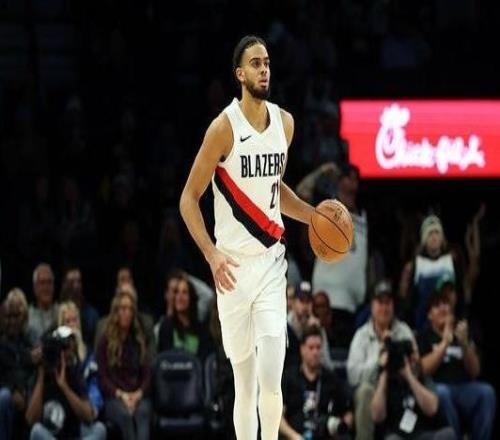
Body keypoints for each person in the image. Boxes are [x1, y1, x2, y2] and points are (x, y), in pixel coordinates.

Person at [179, 35, 315, 440]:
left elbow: (274, 190)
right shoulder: (223, 128)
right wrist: (211, 254)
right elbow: (188, 198)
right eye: (256, 64)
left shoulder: (285, 124)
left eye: (267, 62)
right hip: (232, 269)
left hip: (271, 261)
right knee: (245, 379)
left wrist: (312, 217)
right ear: (240, 74)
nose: (264, 70)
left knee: (271, 373)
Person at [418, 289, 496, 440]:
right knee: (442, 392)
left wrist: (465, 344)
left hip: (463, 388)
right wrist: (445, 342)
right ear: (429, 315)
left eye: (446, 304)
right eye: (437, 305)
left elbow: (475, 371)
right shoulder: (424, 337)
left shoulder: (461, 334)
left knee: (486, 392)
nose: (443, 308)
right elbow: (424, 370)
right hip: (436, 387)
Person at [346, 280, 415, 440]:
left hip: (400, 389)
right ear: (372, 306)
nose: (384, 308)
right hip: (373, 391)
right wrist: (378, 362)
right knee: (364, 391)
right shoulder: (361, 335)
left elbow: (415, 366)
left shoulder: (404, 331)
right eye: (380, 303)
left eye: (388, 303)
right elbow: (352, 376)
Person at [25, 325, 106, 440]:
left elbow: (88, 417)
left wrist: (64, 386)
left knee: (99, 429)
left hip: (73, 436)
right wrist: (41, 376)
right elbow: (31, 420)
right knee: (36, 430)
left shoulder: (74, 374)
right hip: (49, 437)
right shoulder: (37, 377)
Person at [370, 338, 455, 440]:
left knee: (447, 434)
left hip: (424, 433)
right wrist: (384, 371)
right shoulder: (385, 382)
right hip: (397, 435)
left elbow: (432, 409)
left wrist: (409, 375)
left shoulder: (423, 378)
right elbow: (377, 417)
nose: (414, 359)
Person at [280, 325, 354, 440]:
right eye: (311, 348)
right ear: (302, 349)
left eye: (318, 348)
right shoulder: (289, 378)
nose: (315, 352)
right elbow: (278, 417)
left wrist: (339, 428)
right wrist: (294, 436)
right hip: (294, 436)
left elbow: (348, 413)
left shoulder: (332, 379)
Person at [96, 289, 152, 440]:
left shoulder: (138, 341)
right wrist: (121, 395)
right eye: (122, 308)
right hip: (115, 397)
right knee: (125, 416)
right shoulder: (105, 342)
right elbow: (102, 378)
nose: (126, 313)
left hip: (138, 395)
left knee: (143, 413)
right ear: (116, 312)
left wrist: (138, 394)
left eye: (130, 309)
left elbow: (147, 375)